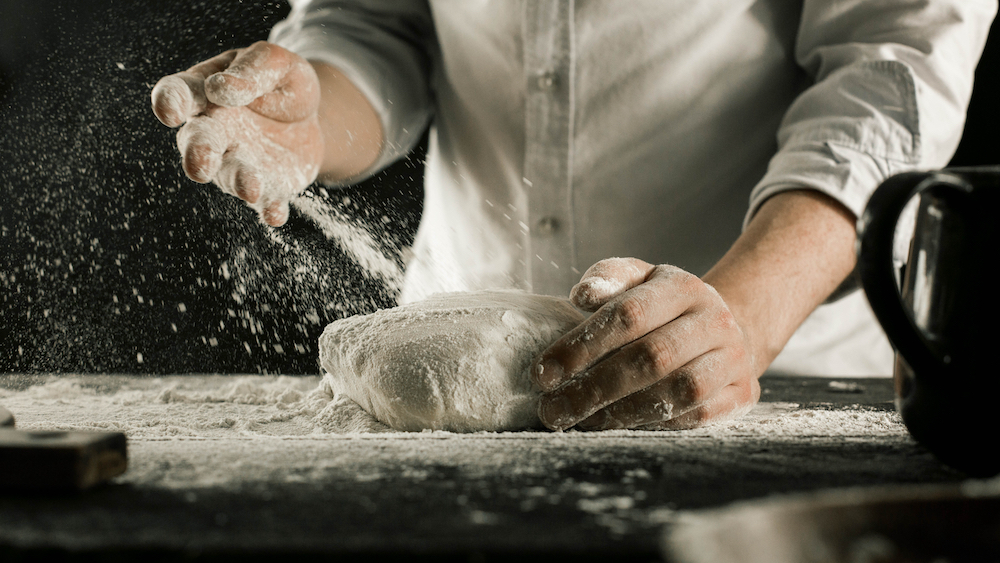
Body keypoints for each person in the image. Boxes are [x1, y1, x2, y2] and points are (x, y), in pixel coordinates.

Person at [151, 1, 995, 431]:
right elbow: (374, 23)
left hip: (769, 376)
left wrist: (737, 316)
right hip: (453, 375)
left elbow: (890, 69)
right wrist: (311, 115)